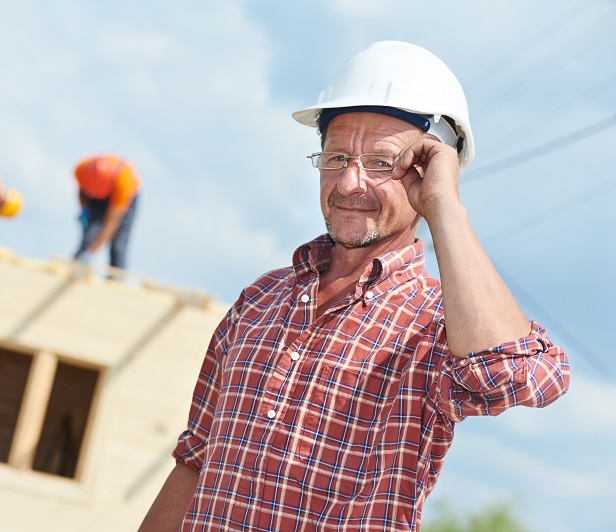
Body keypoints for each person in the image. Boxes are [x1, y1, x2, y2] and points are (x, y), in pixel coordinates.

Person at [139, 41, 571, 531]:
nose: (349, 183)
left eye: (383, 163)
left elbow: (517, 376)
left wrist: (445, 207)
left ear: (431, 174)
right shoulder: (259, 301)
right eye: (336, 156)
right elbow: (196, 459)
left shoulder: (434, 325)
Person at [72, 154, 141, 269]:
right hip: (98, 194)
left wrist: (90, 254)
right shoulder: (82, 168)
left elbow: (111, 225)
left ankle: (116, 278)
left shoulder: (123, 183)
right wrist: (85, 210)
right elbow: (82, 191)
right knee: (91, 232)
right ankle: (75, 265)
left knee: (118, 242)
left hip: (125, 196)